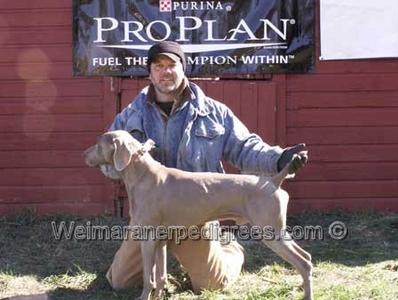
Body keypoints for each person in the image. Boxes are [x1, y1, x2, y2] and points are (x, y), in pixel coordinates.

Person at [102, 41, 308, 292]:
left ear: (183, 68)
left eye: (171, 65)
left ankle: (230, 250)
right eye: (158, 66)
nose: (165, 72)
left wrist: (280, 159)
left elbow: (246, 147)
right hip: (150, 215)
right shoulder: (130, 117)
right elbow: (109, 160)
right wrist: (119, 165)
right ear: (150, 72)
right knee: (120, 282)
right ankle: (161, 269)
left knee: (211, 285)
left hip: (195, 213)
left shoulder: (213, 112)